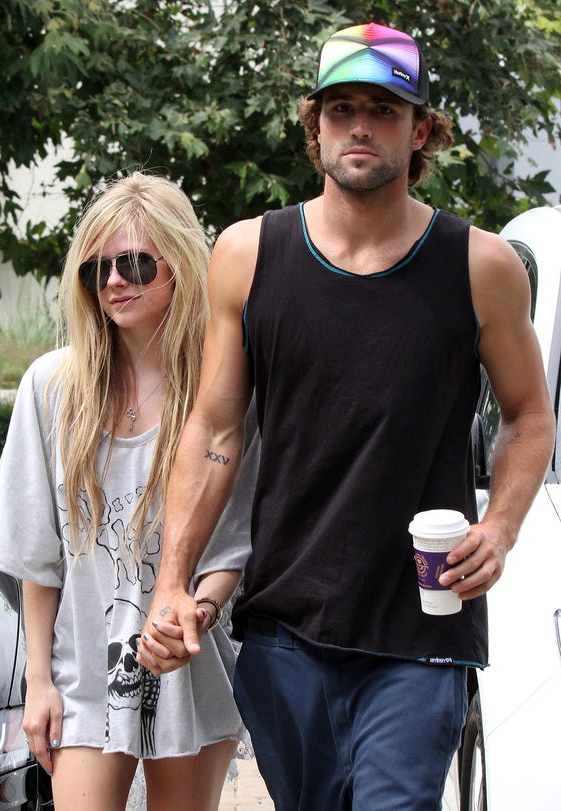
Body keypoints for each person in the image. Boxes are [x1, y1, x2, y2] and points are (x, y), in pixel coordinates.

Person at [135, 22, 557, 811]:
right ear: (315, 126)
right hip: (284, 630)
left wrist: (500, 527)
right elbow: (215, 431)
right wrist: (170, 581)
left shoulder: (481, 266)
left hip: (422, 630)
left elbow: (530, 414)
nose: (360, 126)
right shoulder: (249, 255)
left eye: (384, 110)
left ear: (420, 130)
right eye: (341, 109)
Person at [0, 172, 258, 811]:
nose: (112, 281)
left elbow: (236, 540)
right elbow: (36, 555)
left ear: (179, 264)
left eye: (133, 263)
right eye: (95, 270)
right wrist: (39, 681)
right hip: (83, 673)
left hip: (189, 666)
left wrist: (197, 615)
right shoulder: (53, 387)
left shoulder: (222, 394)